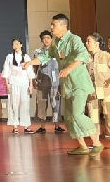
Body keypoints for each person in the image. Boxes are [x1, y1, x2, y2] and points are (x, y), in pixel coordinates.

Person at [30, 14, 101, 155]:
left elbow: (83, 55)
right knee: (68, 117)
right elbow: (46, 56)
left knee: (77, 114)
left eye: (54, 24)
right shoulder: (56, 42)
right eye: (51, 24)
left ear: (63, 26)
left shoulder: (74, 39)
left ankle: (97, 143)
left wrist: (69, 68)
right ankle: (83, 146)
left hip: (79, 83)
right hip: (67, 85)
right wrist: (31, 62)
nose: (51, 27)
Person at [86, 33, 110, 151]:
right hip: (92, 92)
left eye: (89, 41)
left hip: (106, 91)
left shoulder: (106, 55)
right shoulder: (86, 58)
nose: (86, 43)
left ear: (96, 44)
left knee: (109, 114)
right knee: (93, 116)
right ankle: (95, 141)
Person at [32, 31, 64, 133]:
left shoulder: (58, 50)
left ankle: (57, 126)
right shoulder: (37, 52)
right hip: (42, 80)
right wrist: (33, 79)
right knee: (41, 103)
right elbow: (35, 67)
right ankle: (42, 127)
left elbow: (63, 63)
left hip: (55, 81)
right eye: (44, 38)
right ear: (41, 40)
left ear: (51, 39)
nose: (46, 40)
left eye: (48, 38)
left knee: (56, 103)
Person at [2, 38, 34, 133]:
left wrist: (31, 85)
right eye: (13, 44)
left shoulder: (26, 57)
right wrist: (7, 84)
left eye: (17, 43)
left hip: (24, 83)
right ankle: (15, 126)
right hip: (13, 83)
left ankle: (26, 126)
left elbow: (30, 72)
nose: (15, 45)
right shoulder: (9, 57)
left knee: (25, 104)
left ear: (21, 45)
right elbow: (6, 71)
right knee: (14, 104)